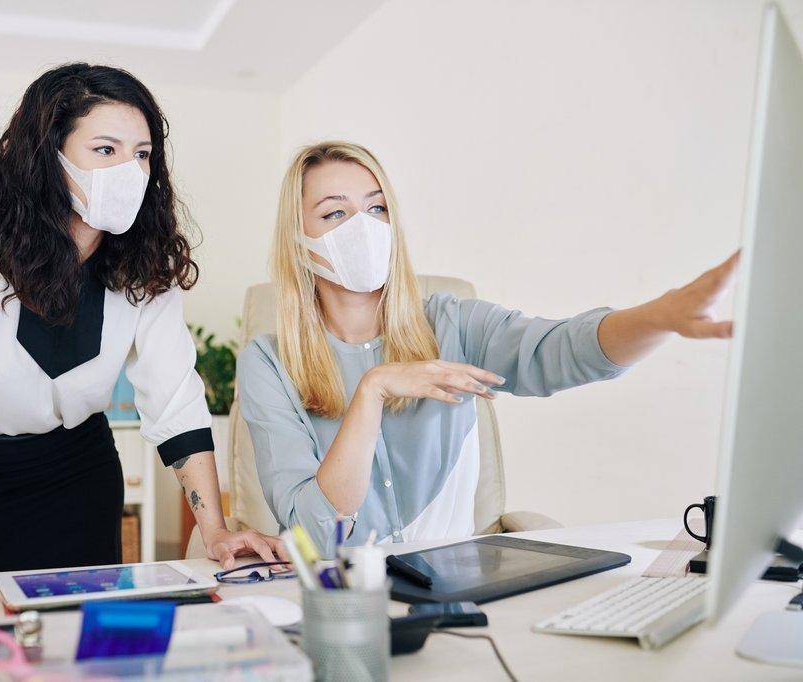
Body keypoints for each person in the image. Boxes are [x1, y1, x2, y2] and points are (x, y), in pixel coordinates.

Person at [0, 64, 285, 608]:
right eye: (105, 149)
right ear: (50, 152)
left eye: (142, 154)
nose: (129, 170)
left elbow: (176, 401)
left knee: (81, 634)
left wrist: (214, 529)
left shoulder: (147, 256)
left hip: (80, 473)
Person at [238, 141, 738, 557]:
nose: (363, 227)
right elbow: (315, 534)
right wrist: (373, 389)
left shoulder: (454, 323)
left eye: (376, 208)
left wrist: (659, 316)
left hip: (455, 588)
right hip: (341, 602)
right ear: (298, 240)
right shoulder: (269, 362)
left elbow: (563, 350)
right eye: (335, 214)